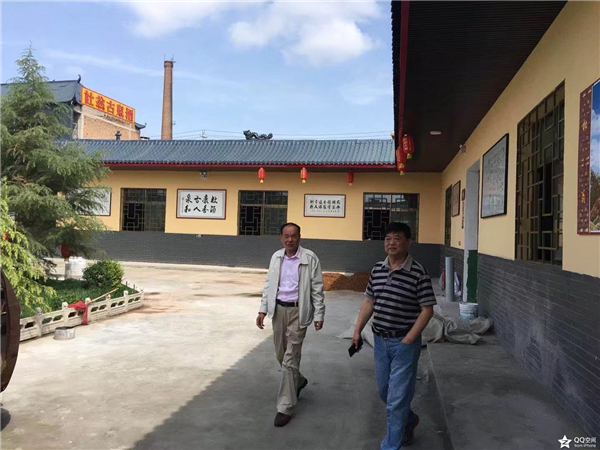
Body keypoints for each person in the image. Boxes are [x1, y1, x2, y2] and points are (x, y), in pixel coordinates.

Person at [352, 222, 436, 449]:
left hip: (404, 343)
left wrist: (409, 339)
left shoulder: (418, 272)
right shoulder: (378, 269)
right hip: (380, 341)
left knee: (396, 401)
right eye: (388, 239)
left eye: (397, 238)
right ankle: (409, 421)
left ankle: (390, 445)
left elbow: (427, 309)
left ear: (409, 242)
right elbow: (369, 301)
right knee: (385, 391)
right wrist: (358, 330)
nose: (391, 243)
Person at [256, 222, 325, 428]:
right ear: (281, 238)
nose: (289, 239)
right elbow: (269, 284)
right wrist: (262, 309)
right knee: (280, 354)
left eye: (293, 236)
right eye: (286, 236)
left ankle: (285, 406)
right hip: (278, 310)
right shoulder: (276, 257)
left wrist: (319, 313)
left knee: (290, 358)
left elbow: (317, 288)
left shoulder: (310, 258)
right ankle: (299, 380)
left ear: (299, 237)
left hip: (298, 311)